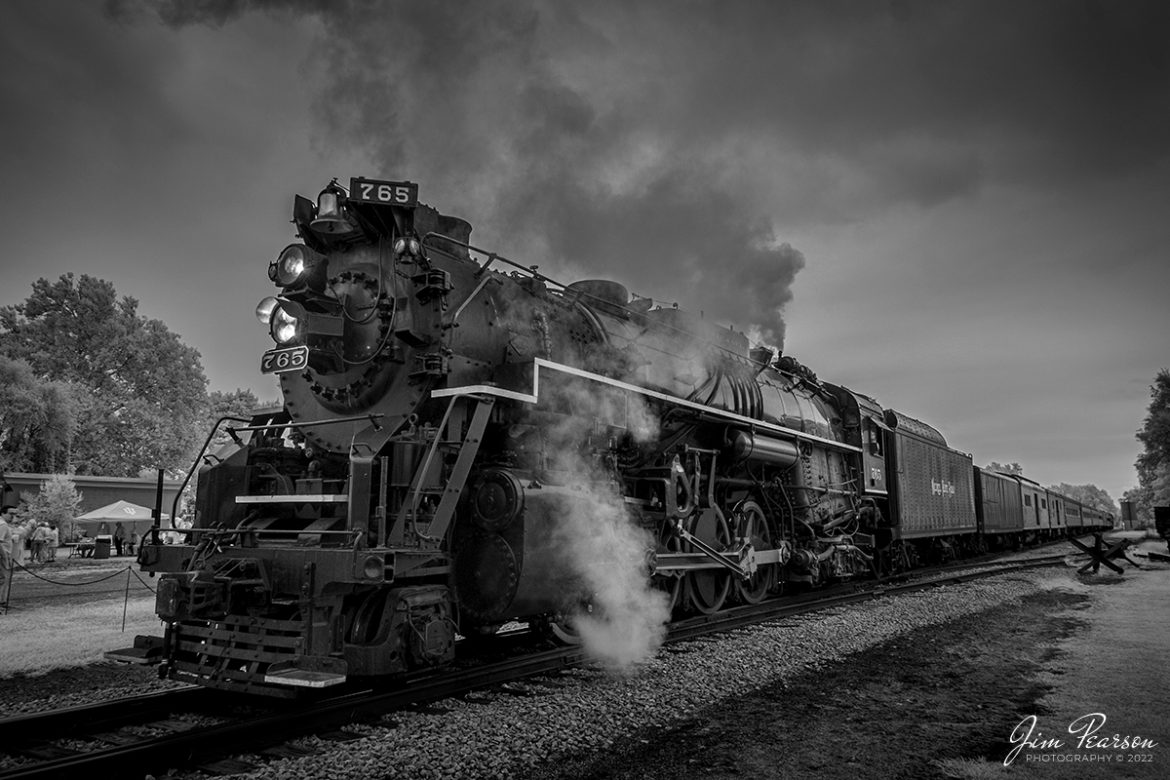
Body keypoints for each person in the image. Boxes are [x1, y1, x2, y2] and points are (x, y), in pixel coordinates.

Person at [0, 509, 14, 601]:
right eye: (10, 513)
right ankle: (2, 600)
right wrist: (5, 556)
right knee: (3, 578)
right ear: (3, 513)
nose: (12, 516)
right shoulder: (3, 525)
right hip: (2, 555)